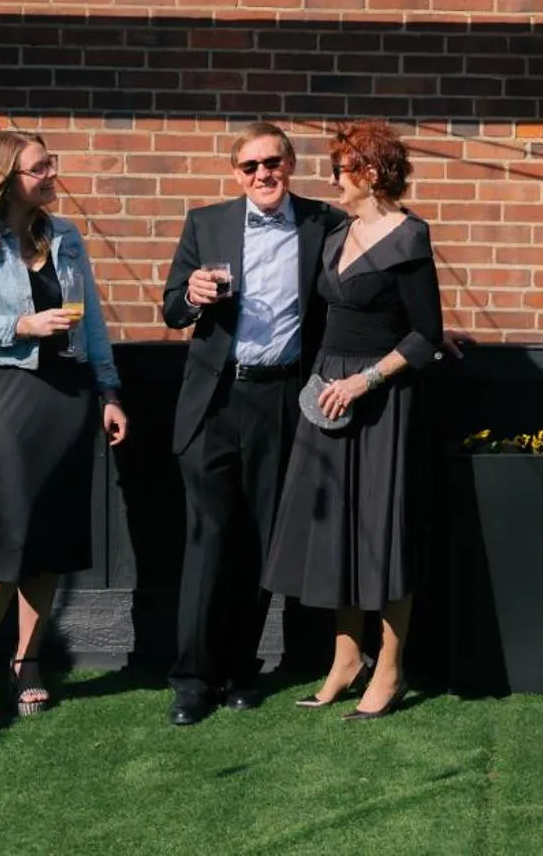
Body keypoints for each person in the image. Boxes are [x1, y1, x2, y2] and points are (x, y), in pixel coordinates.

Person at [0, 130, 127, 737]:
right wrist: (19, 323)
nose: (51, 176)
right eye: (40, 168)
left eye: (51, 165)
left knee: (52, 536)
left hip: (68, 396)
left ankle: (27, 660)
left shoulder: (64, 236)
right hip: (5, 394)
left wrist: (109, 391)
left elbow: (89, 319)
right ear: (5, 177)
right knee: (10, 533)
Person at [159, 121, 346, 726]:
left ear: (290, 165)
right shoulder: (205, 222)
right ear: (235, 173)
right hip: (216, 400)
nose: (263, 175)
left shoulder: (324, 222)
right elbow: (169, 309)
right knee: (209, 538)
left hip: (283, 399)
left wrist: (428, 330)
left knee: (263, 541)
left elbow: (363, 291)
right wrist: (191, 296)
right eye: (250, 167)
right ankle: (192, 679)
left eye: (273, 163)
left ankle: (243, 670)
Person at [262, 120, 444, 721]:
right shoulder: (337, 229)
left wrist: (364, 383)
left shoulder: (410, 237)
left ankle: (389, 668)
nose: (332, 178)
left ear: (368, 172)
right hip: (326, 393)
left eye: (340, 168)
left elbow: (426, 336)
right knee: (338, 530)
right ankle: (345, 660)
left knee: (382, 533)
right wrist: (330, 384)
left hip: (382, 401)